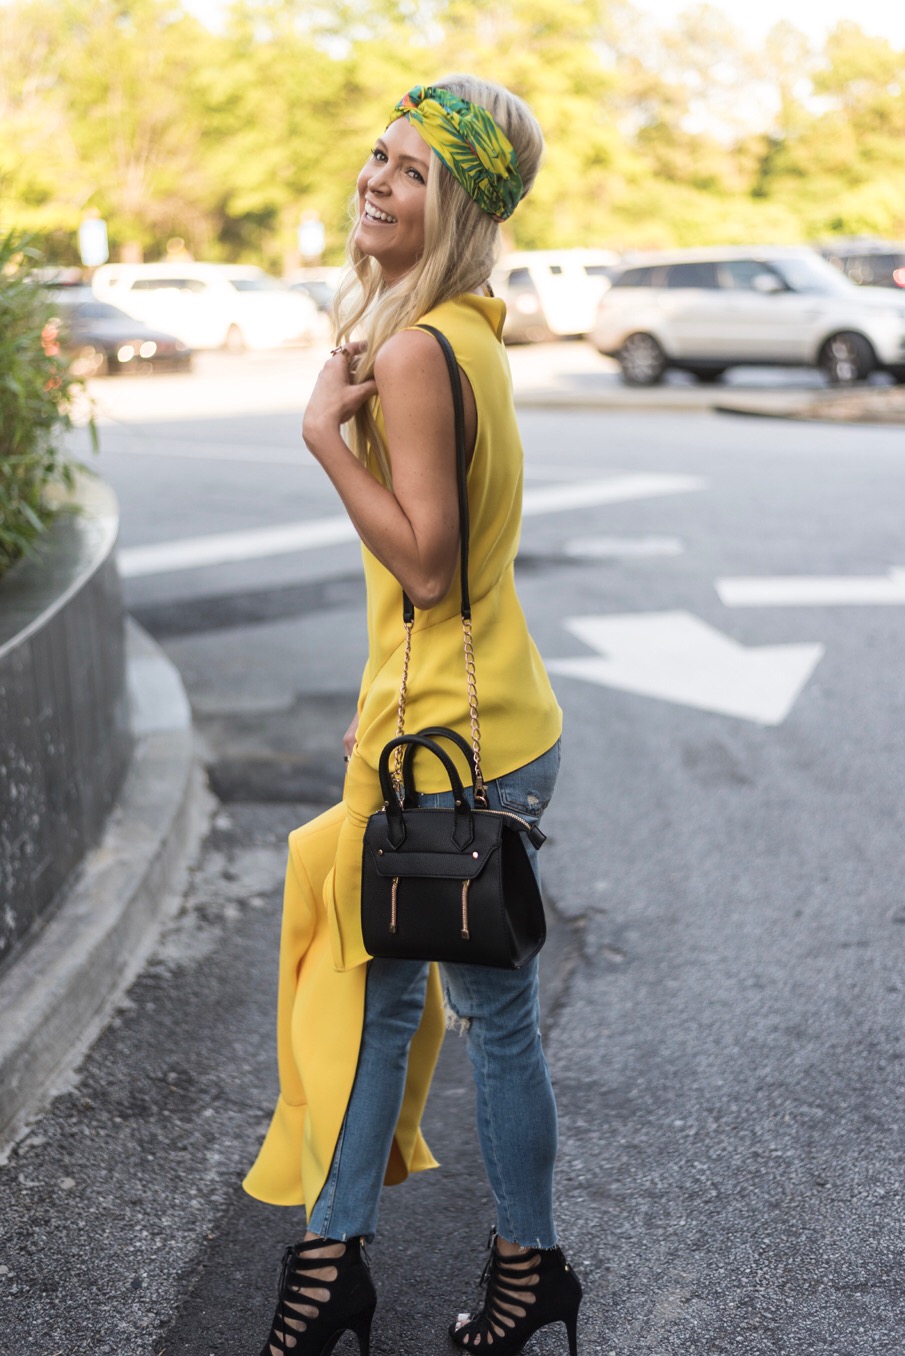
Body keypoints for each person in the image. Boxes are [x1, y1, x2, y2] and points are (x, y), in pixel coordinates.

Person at [243, 75, 582, 1356]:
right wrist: (365, 709)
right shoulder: (462, 331)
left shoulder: (412, 349)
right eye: (377, 158)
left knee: (471, 1017)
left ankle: (497, 1266)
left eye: (412, 172)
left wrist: (326, 439)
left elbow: (430, 565)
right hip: (458, 724)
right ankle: (344, 1264)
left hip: (458, 746)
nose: (376, 182)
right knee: (393, 999)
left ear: (459, 206)